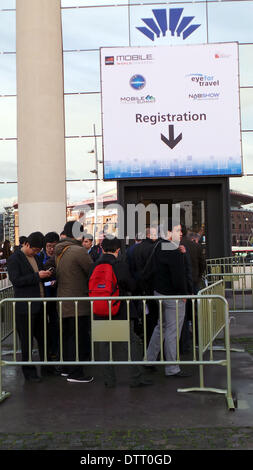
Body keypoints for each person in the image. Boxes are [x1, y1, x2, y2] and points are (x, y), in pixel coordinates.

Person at [89, 237, 153, 388]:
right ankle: (136, 378)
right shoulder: (120, 265)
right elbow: (131, 286)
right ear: (118, 249)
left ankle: (109, 380)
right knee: (132, 343)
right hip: (119, 310)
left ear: (102, 248)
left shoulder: (94, 266)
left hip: (99, 310)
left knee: (105, 346)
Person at [146, 219, 191, 377]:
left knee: (161, 327)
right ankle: (172, 368)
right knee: (172, 331)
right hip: (173, 296)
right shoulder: (173, 250)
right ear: (169, 233)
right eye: (178, 230)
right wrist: (184, 294)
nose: (181, 233)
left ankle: (149, 359)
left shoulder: (158, 246)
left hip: (159, 293)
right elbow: (179, 276)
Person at [7, 232, 53, 382]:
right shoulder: (14, 258)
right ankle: (29, 372)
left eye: (38, 250)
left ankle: (47, 367)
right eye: (34, 249)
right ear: (26, 244)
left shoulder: (37, 258)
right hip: (24, 307)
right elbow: (16, 280)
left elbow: (38, 279)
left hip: (39, 304)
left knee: (43, 338)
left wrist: (47, 278)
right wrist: (37, 276)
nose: (36, 252)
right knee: (26, 341)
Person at [55, 221, 93, 383]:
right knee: (78, 337)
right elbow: (91, 271)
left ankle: (66, 368)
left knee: (68, 337)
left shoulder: (60, 250)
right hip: (78, 301)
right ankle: (76, 373)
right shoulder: (79, 251)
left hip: (63, 301)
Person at [131, 226, 159, 345]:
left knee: (142, 313)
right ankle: (151, 343)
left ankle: (142, 336)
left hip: (138, 286)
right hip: (151, 287)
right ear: (149, 235)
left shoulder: (135, 249)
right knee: (153, 317)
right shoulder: (153, 248)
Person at [37, 231, 60, 363]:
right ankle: (46, 351)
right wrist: (48, 282)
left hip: (56, 298)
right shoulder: (39, 257)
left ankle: (54, 350)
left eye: (54, 246)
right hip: (43, 297)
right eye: (49, 246)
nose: (51, 249)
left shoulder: (61, 257)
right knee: (43, 327)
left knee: (55, 325)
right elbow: (39, 279)